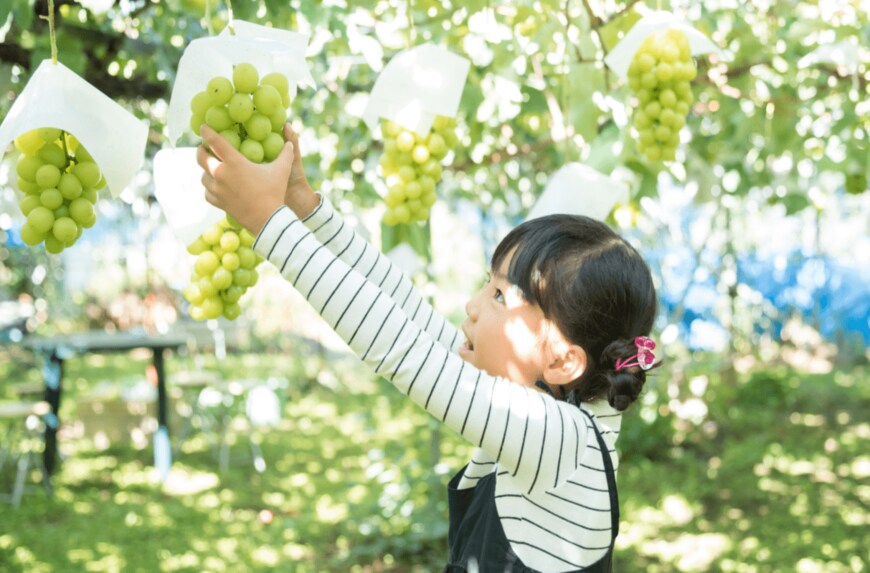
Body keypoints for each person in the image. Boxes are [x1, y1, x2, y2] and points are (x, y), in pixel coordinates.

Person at [196, 123, 659, 572]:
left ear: (561, 359)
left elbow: (402, 351)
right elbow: (407, 314)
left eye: (500, 295)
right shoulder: (561, 412)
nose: (473, 305)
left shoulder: (560, 441)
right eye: (487, 283)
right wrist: (305, 209)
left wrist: (269, 225)